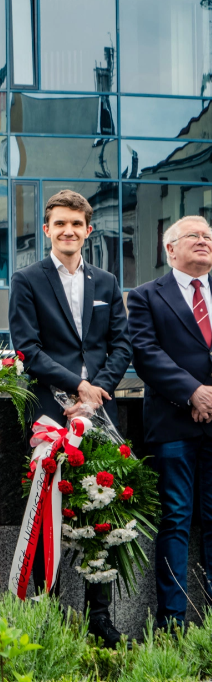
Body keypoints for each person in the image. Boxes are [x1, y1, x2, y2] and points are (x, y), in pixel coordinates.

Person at [8, 189, 131, 646]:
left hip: (100, 413)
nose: (68, 231)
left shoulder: (107, 282)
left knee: (104, 511)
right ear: (47, 230)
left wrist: (96, 392)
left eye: (76, 224)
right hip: (50, 414)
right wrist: (76, 387)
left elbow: (122, 345)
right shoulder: (27, 280)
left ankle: (99, 617)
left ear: (88, 230)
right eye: (60, 223)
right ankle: (48, 614)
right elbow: (27, 348)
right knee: (49, 513)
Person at [128, 215, 212, 629]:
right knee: (176, 518)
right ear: (170, 248)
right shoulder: (145, 296)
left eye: (208, 236)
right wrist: (192, 392)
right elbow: (145, 353)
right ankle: (173, 623)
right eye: (194, 235)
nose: (204, 240)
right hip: (172, 425)